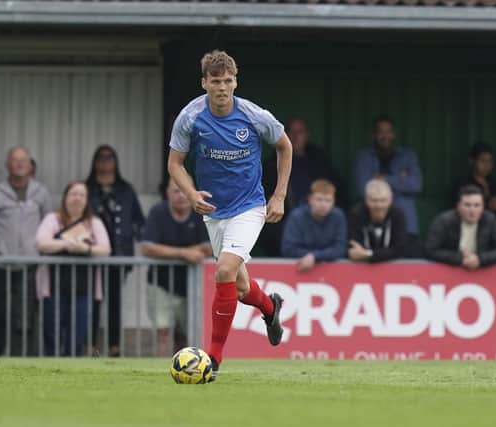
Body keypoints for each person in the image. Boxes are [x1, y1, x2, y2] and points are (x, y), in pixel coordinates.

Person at [167, 50, 292, 381]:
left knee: (223, 270)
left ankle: (214, 358)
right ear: (204, 82)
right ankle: (270, 307)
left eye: (228, 81)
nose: (222, 87)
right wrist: (191, 194)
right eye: (216, 81)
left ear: (235, 81)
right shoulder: (190, 118)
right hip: (214, 211)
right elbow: (175, 164)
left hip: (250, 206)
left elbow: (285, 146)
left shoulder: (253, 116)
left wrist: (278, 196)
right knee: (238, 286)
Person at [0, 146, 52, 356]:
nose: (20, 164)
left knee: (27, 317)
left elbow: (48, 223)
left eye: (24, 160)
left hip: (31, 266)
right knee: (1, 314)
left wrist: (38, 252)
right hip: (3, 265)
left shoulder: (41, 192)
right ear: (7, 165)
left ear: (31, 165)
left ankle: (24, 361)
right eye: (15, 160)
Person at [35, 181, 111, 356]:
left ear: (87, 200)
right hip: (53, 288)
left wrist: (86, 249)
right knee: (52, 333)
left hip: (84, 289)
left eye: (82, 195)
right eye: (73, 194)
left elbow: (105, 249)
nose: (77, 198)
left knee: (77, 335)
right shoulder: (52, 219)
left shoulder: (94, 223)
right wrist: (66, 244)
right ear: (65, 198)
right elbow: (41, 243)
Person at [140, 178, 212, 355]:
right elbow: (147, 248)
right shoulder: (158, 212)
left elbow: (209, 247)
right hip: (160, 284)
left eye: (184, 191)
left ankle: (188, 369)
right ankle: (161, 372)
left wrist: (168, 251)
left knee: (187, 334)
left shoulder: (201, 211)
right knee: (163, 332)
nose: (180, 196)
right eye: (175, 191)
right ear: (167, 193)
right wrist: (184, 254)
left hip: (192, 286)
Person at [85, 145, 145, 356]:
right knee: (92, 301)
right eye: (101, 158)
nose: (105, 162)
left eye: (109, 158)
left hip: (120, 253)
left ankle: (114, 346)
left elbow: (138, 220)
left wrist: (141, 239)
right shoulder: (87, 188)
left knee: (114, 302)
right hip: (92, 254)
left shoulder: (125, 189)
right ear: (94, 162)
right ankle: (90, 345)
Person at [260, 117, 346, 256]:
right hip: (284, 217)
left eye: (300, 132)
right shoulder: (272, 163)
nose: (295, 136)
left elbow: (335, 186)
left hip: (318, 215)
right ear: (285, 135)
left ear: (307, 135)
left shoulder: (318, 158)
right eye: (291, 132)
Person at [354, 116, 422, 235]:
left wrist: (385, 179)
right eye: (381, 132)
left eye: (389, 132)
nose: (385, 136)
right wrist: (401, 180)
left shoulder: (407, 155)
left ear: (394, 134)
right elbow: (363, 189)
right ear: (374, 135)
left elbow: (416, 185)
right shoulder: (363, 157)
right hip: (374, 213)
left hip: (403, 214)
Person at [425, 184, 496, 269]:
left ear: (483, 207)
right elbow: (430, 249)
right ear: (458, 206)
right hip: (449, 273)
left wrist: (480, 259)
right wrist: (460, 259)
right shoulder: (444, 221)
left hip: (482, 274)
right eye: (467, 205)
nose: (472, 210)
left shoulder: (490, 220)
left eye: (477, 205)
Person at [281, 179, 347, 271]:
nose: (323, 204)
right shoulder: (296, 216)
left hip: (331, 271)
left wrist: (314, 256)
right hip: (298, 269)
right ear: (310, 199)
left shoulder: (338, 216)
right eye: (319, 199)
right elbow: (288, 249)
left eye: (328, 200)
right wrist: (314, 256)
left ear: (334, 202)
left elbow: (340, 249)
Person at [348, 179, 407, 262]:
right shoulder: (357, 214)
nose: (378, 205)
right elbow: (354, 249)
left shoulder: (398, 215)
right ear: (366, 200)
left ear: (390, 200)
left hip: (392, 267)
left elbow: (400, 250)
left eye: (383, 200)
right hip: (362, 268)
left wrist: (369, 254)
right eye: (374, 200)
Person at [451, 142, 496, 222]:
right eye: (482, 160)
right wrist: (488, 205)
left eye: (490, 161)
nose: (487, 165)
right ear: (472, 161)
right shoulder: (463, 185)